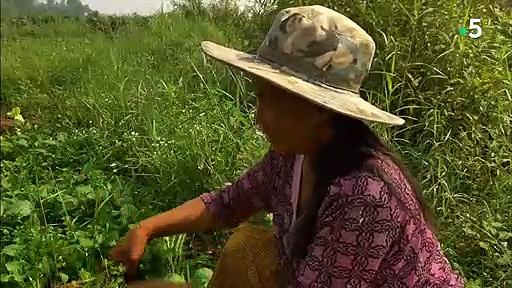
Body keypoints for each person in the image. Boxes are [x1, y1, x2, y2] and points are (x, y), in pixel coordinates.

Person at [109, 5, 465, 288]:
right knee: (251, 246)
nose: (258, 118)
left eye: (268, 100)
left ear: (320, 110)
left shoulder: (364, 194)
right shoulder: (293, 157)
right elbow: (227, 204)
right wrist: (146, 228)